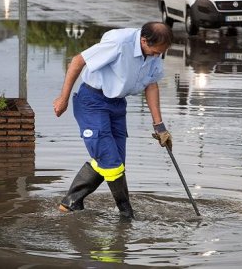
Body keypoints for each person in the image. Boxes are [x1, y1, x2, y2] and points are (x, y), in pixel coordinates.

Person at [53, 22, 174, 219]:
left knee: (114, 162)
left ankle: (70, 203)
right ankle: (126, 214)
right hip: (92, 101)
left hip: (117, 105)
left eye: (160, 53)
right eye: (154, 52)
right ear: (144, 41)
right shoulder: (119, 43)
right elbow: (77, 61)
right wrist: (63, 98)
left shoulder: (154, 53)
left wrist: (159, 126)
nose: (156, 56)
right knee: (111, 163)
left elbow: (151, 85)